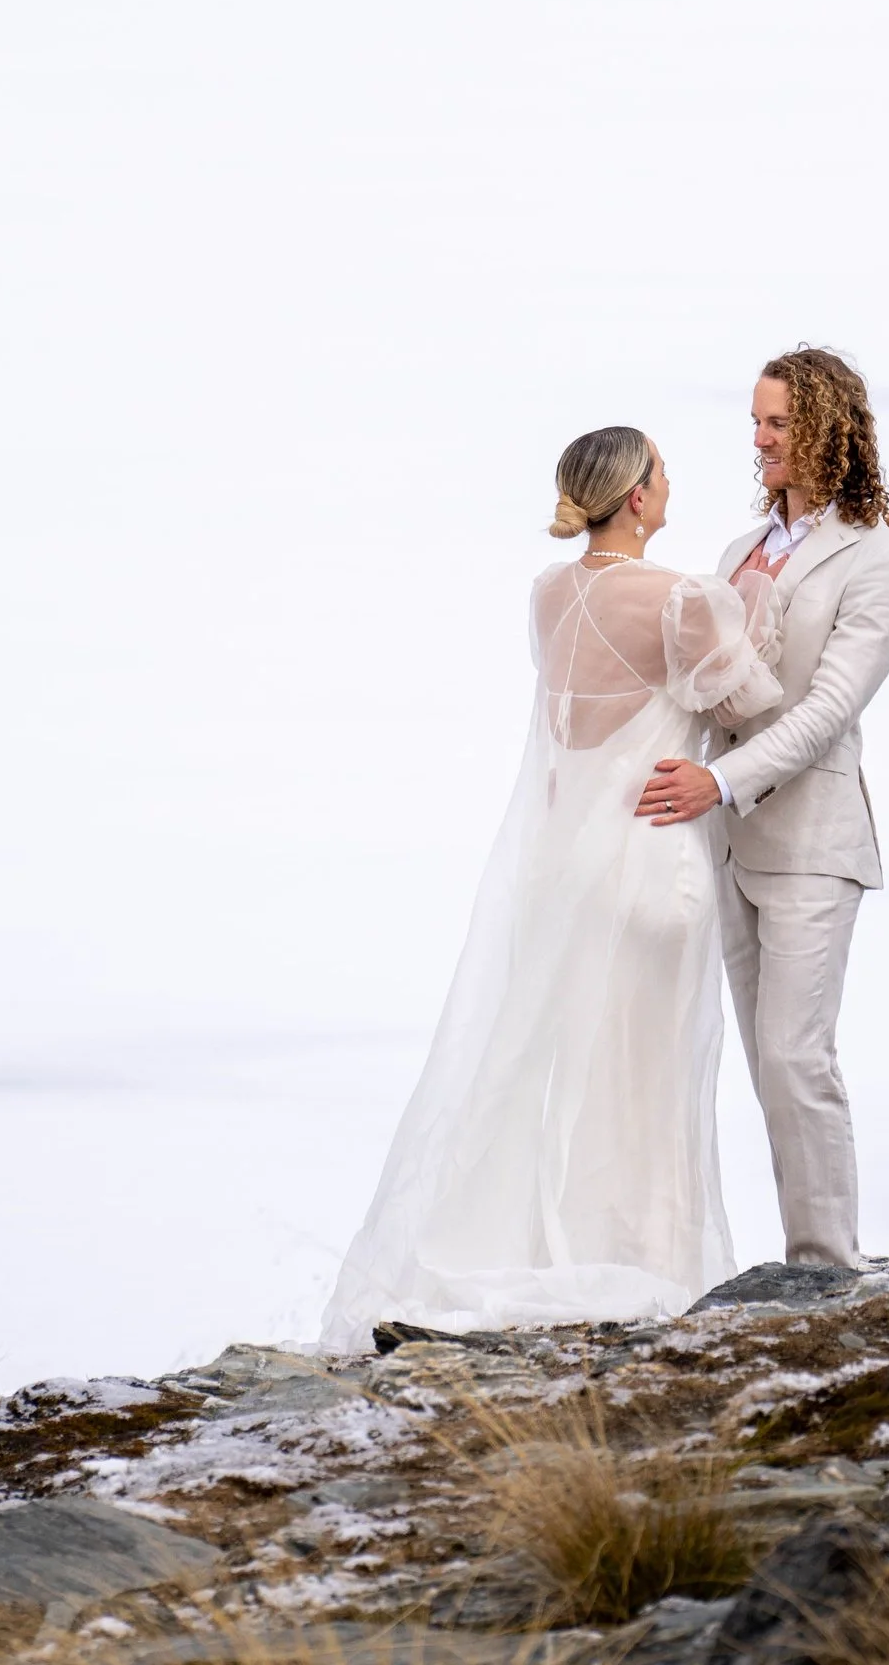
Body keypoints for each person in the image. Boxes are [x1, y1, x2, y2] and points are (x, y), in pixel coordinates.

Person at [320, 424, 784, 1349]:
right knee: (648, 1074)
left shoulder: (546, 594)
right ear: (642, 496)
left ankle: (570, 1245)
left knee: (574, 1063)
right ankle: (644, 1262)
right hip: (651, 856)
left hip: (568, 861)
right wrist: (757, 603)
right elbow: (748, 701)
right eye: (662, 468)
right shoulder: (686, 598)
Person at [636, 346, 889, 1276]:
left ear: (829, 429)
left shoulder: (881, 564)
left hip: (812, 843)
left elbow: (828, 709)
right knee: (765, 1066)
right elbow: (712, 692)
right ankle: (803, 1267)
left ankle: (826, 1267)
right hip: (726, 842)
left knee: (798, 1059)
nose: (759, 441)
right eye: (756, 423)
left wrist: (717, 781)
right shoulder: (735, 552)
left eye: (779, 424)